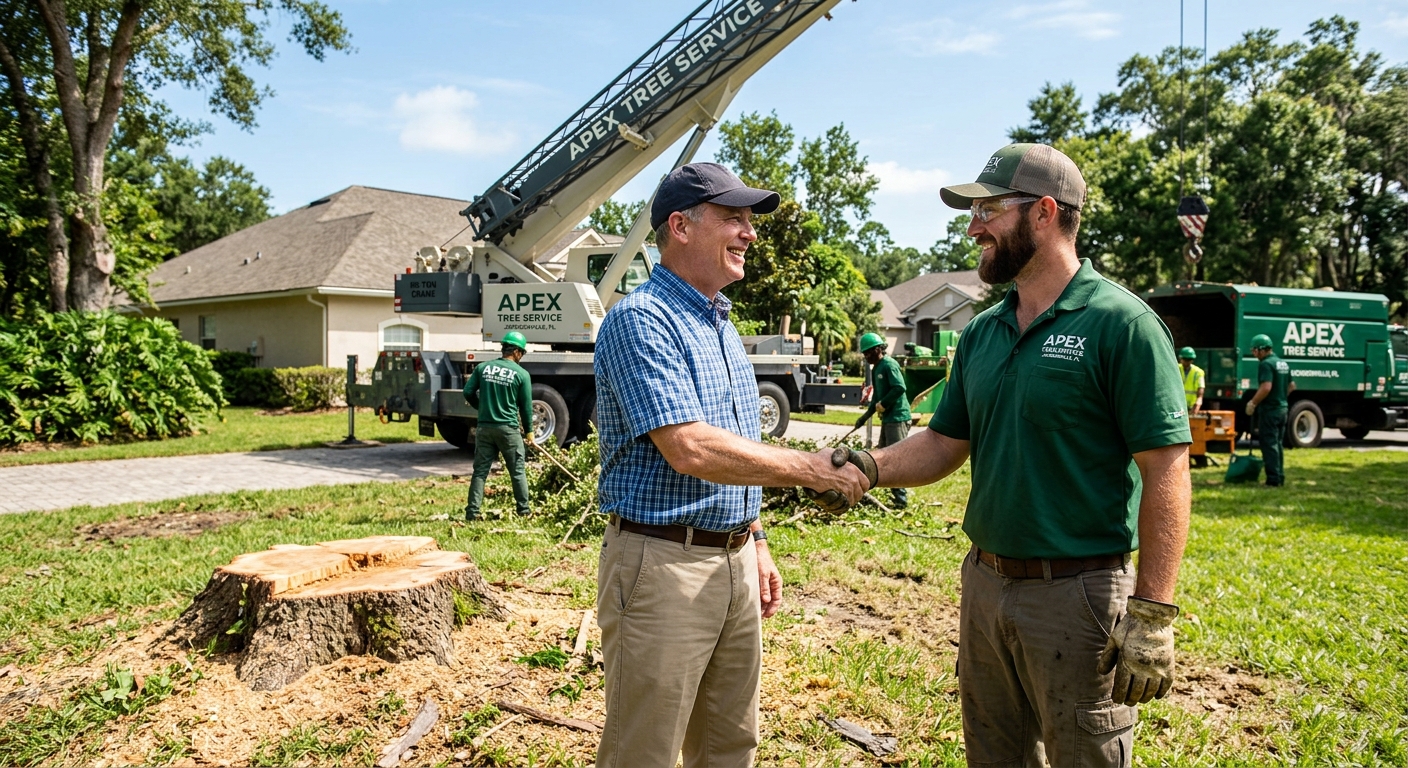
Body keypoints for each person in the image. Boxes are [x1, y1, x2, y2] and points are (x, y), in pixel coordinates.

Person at [852, 144, 1193, 766]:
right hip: (985, 585)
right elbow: (944, 443)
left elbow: (1165, 470)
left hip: (1078, 595)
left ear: (1043, 212)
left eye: (988, 210)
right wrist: (869, 468)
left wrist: (1152, 613)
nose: (973, 227)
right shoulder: (984, 331)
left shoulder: (1121, 324)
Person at [592, 162, 869, 768]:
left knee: (729, 744)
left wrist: (756, 539)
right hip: (663, 564)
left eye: (750, 220)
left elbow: (737, 448)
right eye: (733, 218)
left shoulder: (719, 323)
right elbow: (689, 448)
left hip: (735, 560)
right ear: (680, 227)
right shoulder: (642, 320)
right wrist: (811, 469)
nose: (750, 233)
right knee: (645, 750)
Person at [463, 331, 533, 520]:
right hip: (508, 430)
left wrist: (482, 408)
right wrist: (529, 432)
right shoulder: (522, 374)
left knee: (480, 471)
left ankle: (472, 513)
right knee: (517, 471)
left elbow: (468, 392)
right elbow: (526, 407)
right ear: (517, 352)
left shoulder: (483, 368)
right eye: (522, 353)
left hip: (484, 428)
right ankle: (524, 511)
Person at [855, 332, 911, 508]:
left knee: (896, 459)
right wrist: (863, 418)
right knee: (884, 456)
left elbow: (899, 387)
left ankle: (901, 500)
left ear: (878, 349)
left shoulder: (889, 365)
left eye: (868, 352)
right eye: (864, 354)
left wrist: (884, 404)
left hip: (898, 417)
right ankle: (892, 494)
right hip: (888, 419)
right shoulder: (876, 369)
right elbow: (877, 399)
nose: (866, 357)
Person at [1245, 334, 1294, 487]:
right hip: (1283, 409)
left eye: (1254, 350)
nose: (1254, 354)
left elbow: (1266, 387)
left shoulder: (1266, 364)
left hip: (1270, 410)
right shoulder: (1282, 363)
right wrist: (1280, 396)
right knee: (1278, 444)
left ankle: (1273, 480)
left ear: (1261, 350)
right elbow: (1292, 386)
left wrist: (1253, 402)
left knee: (1269, 444)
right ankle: (1280, 476)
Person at [1179, 346, 1205, 414]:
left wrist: (1197, 404)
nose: (1186, 362)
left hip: (1191, 407)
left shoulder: (1198, 372)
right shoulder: (1176, 368)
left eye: (1189, 359)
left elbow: (1200, 393)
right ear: (1181, 359)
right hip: (1178, 405)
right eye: (1185, 359)